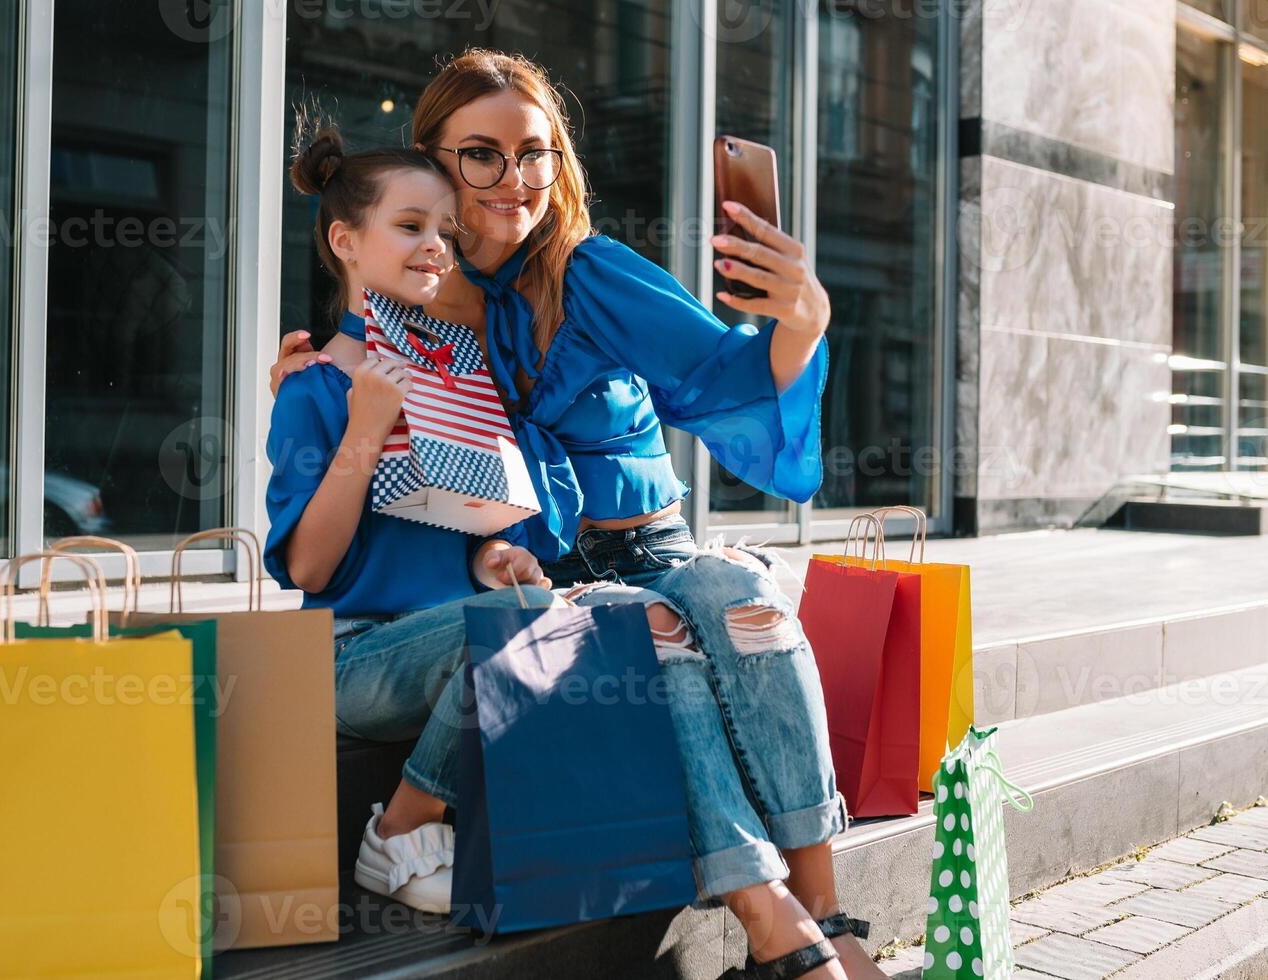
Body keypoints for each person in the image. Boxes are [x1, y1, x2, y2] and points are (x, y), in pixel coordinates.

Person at [272, 50, 880, 980]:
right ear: (435, 165)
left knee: (744, 601)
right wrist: (319, 377)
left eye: (536, 153)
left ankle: (824, 919)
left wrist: (801, 320)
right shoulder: (423, 303)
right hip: (549, 573)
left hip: (648, 547)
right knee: (654, 646)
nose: (513, 180)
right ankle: (776, 930)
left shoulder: (583, 271)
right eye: (480, 156)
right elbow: (393, 456)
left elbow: (722, 375)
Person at [267, 122, 555, 916]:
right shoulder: (315, 386)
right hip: (349, 656)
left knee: (543, 611)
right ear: (345, 241)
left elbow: (470, 537)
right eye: (409, 226)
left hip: (446, 639)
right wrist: (365, 430)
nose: (436, 245)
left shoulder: (459, 376)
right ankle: (399, 831)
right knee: (524, 624)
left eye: (445, 231)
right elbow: (309, 571)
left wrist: (495, 558)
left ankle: (424, 817)